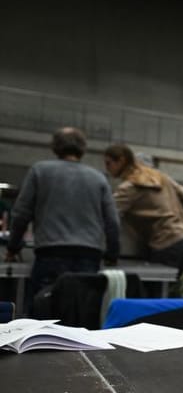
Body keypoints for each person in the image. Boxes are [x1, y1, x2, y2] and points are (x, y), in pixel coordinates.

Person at [5, 127, 120, 312]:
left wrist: (12, 248)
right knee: (82, 314)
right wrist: (112, 255)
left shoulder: (40, 171)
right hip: (89, 256)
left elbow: (21, 214)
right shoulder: (98, 178)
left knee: (45, 313)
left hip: (50, 254)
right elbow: (112, 222)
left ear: (55, 147)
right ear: (83, 149)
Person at [103, 144, 183, 275]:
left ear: (121, 161)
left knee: (157, 291)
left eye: (108, 164)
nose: (107, 169)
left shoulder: (129, 187)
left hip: (164, 242)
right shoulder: (159, 176)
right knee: (175, 290)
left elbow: (109, 214)